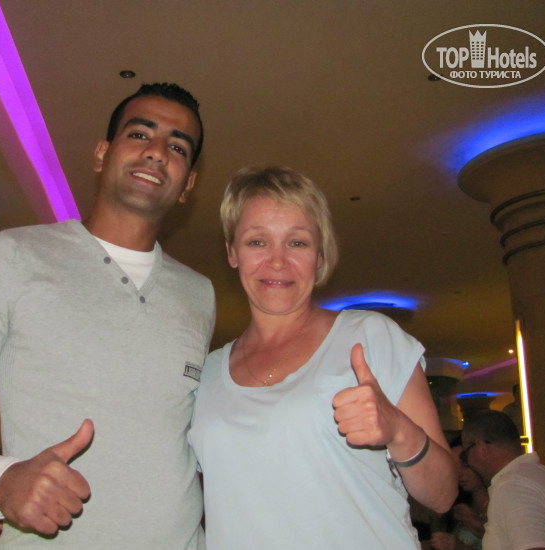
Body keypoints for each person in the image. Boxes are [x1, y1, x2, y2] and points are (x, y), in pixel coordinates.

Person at [0, 83, 215, 549]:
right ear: (102, 154)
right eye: (140, 134)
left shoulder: (199, 294)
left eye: (178, 146)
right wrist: (0, 482)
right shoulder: (9, 258)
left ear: (188, 185)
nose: (157, 152)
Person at [189, 166, 458, 549]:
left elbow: (444, 494)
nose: (277, 261)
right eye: (257, 242)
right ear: (232, 252)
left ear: (319, 255)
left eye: (297, 242)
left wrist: (399, 430)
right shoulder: (206, 374)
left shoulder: (369, 337)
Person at [461, 410, 545, 550]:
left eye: (465, 455)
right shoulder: (539, 475)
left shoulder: (513, 486)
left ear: (482, 448)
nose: (469, 463)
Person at [430, 435, 488, 550]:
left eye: (465, 466)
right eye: (454, 467)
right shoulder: (458, 504)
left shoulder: (500, 502)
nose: (459, 473)